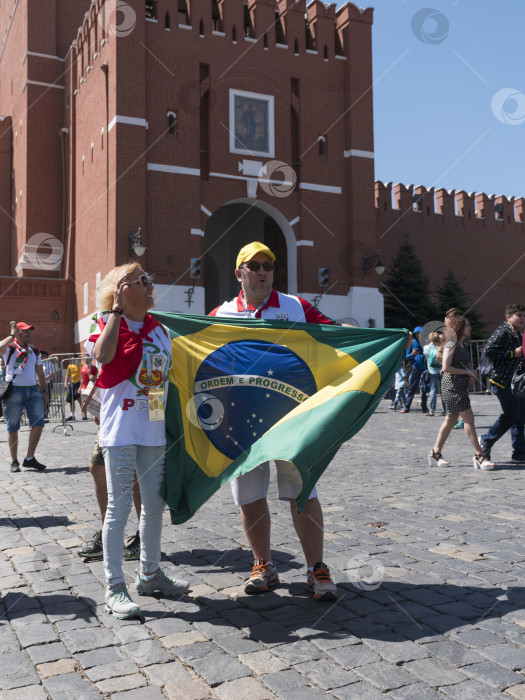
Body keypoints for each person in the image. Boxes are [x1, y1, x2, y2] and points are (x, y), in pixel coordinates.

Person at [209, 241, 340, 601]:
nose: (263, 271)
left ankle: (317, 568)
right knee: (250, 496)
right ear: (240, 273)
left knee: (303, 492)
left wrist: (376, 339)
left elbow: (336, 335)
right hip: (241, 421)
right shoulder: (220, 314)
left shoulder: (296, 307)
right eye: (255, 266)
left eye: (268, 265)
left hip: (294, 417)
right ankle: (262, 565)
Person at [85, 263, 188, 620]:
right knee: (119, 506)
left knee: (154, 505)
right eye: (142, 280)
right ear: (121, 288)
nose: (150, 286)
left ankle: (150, 573)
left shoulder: (161, 331)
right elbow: (102, 357)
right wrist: (115, 309)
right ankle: (115, 587)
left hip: (152, 428)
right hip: (120, 430)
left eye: (150, 279)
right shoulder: (103, 324)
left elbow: (164, 378)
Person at [428, 316, 494, 470]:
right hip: (452, 386)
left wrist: (470, 373)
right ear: (459, 328)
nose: (470, 328)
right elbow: (446, 367)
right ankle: (479, 455)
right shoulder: (451, 344)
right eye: (467, 326)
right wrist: (467, 372)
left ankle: (435, 452)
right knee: (469, 419)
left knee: (451, 419)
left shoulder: (461, 344)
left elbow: (463, 364)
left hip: (459, 385)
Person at [0, 321, 48, 472]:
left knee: (39, 423)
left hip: (33, 391)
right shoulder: (10, 347)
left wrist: (45, 392)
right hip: (14, 390)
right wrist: (11, 335)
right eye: (26, 331)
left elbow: (40, 372)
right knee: (13, 426)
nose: (29, 334)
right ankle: (14, 461)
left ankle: (29, 458)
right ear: (18, 332)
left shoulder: (34, 350)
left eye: (30, 331)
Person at [480, 304, 525, 463]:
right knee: (512, 414)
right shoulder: (502, 331)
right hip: (501, 381)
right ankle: (487, 439)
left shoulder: (518, 334)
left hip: (516, 381)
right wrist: (514, 353)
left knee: (520, 416)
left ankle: (519, 452)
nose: (522, 318)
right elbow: (489, 351)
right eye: (518, 315)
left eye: (523, 315)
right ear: (508, 317)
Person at [400, 326, 426, 413]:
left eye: (420, 333)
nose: (419, 335)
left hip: (425, 368)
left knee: (425, 388)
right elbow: (407, 356)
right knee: (412, 388)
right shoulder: (412, 342)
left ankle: (425, 408)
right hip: (416, 368)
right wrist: (413, 354)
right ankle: (406, 407)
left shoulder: (426, 343)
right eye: (417, 334)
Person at [423, 331, 447, 416]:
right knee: (443, 390)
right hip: (441, 369)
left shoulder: (426, 347)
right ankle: (445, 410)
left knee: (433, 389)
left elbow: (425, 356)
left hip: (432, 370)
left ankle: (432, 410)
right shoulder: (441, 347)